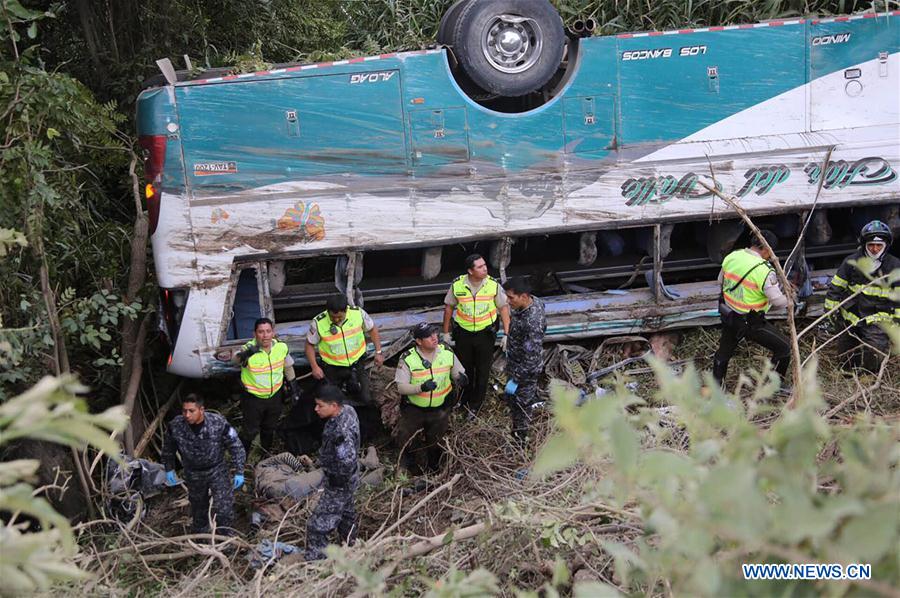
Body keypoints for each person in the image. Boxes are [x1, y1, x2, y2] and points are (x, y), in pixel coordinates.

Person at [712, 230, 791, 390]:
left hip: (729, 315)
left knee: (723, 353)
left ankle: (716, 387)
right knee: (784, 348)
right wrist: (791, 299)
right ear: (767, 250)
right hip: (750, 322)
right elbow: (778, 302)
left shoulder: (733, 256)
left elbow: (720, 280)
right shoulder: (764, 270)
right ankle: (773, 388)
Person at [162, 393, 246, 534]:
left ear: (201, 410)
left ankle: (225, 540)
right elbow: (168, 448)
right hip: (193, 473)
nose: (187, 415)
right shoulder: (176, 425)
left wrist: (239, 471)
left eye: (191, 411)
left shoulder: (218, 423)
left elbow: (235, 446)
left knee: (224, 508)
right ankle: (201, 540)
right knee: (198, 508)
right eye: (184, 411)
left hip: (217, 470)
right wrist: (169, 468)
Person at [825, 220, 899, 372]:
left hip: (878, 318)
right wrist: (830, 312)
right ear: (864, 244)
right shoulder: (851, 262)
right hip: (851, 315)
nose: (874, 249)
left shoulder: (895, 266)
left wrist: (896, 323)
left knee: (875, 349)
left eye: (879, 245)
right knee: (846, 350)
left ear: (886, 245)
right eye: (871, 244)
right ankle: (846, 374)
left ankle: (869, 377)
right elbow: (836, 288)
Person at [441, 254, 510, 416]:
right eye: (479, 266)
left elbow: (504, 308)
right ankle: (464, 399)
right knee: (465, 369)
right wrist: (445, 332)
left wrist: (507, 333)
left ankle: (475, 405)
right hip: (463, 334)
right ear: (470, 271)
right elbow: (449, 307)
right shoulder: (458, 284)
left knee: (482, 370)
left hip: (485, 334)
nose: (485, 268)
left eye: (485, 265)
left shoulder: (493, 285)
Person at [395, 323, 466, 475]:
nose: (435, 338)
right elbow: (401, 387)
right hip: (414, 409)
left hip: (440, 409)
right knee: (408, 439)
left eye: (435, 333)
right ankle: (411, 469)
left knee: (436, 442)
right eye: (429, 336)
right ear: (419, 341)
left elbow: (457, 372)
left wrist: (461, 378)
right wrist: (420, 388)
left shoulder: (446, 351)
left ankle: (435, 471)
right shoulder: (408, 358)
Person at [305, 385, 360, 561]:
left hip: (339, 482)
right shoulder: (348, 411)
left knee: (316, 526)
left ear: (334, 406)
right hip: (350, 479)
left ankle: (316, 563)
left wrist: (337, 481)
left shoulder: (340, 432)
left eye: (320, 405)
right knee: (347, 515)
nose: (316, 409)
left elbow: (347, 459)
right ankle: (352, 548)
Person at [233, 317, 298, 455]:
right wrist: (248, 353)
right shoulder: (248, 348)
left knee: (269, 428)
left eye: (268, 331)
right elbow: (235, 360)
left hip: (275, 397)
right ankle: (241, 460)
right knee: (249, 431)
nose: (265, 335)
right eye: (261, 332)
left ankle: (265, 456)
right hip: (253, 399)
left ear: (273, 333)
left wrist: (294, 388)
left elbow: (288, 367)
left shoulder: (281, 347)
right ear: (254, 334)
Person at [305, 294, 384, 406]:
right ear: (327, 312)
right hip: (333, 368)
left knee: (365, 398)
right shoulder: (318, 322)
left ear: (346, 310)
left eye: (340, 317)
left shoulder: (358, 314)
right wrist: (314, 367)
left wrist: (379, 352)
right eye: (333, 317)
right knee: (332, 401)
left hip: (357, 364)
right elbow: (309, 345)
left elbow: (372, 330)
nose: (336, 320)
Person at [502, 277, 546, 444]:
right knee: (513, 403)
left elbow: (531, 358)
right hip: (515, 364)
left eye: (511, 297)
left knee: (521, 406)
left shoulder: (532, 322)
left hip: (524, 372)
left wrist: (516, 379)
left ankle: (520, 442)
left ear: (524, 296)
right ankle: (516, 433)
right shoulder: (531, 303)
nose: (508, 301)